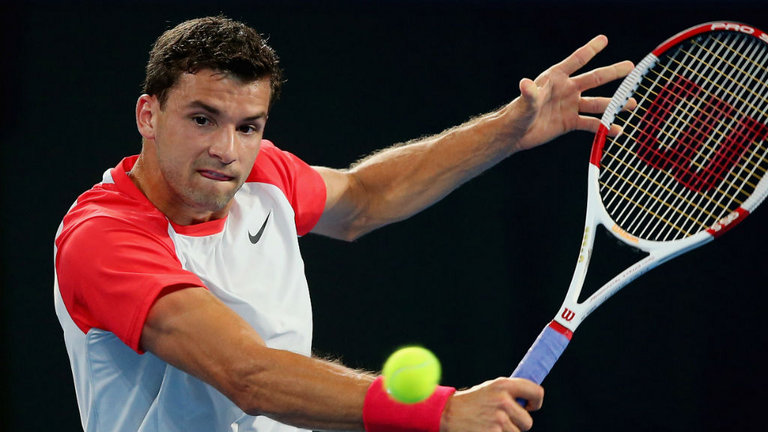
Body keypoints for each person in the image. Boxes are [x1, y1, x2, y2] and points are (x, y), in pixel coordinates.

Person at [54, 16, 633, 432]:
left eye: (248, 126)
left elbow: (363, 197)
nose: (227, 150)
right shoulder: (104, 237)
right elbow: (247, 375)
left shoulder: (264, 174)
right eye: (202, 119)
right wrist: (440, 411)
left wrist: (506, 130)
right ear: (148, 115)